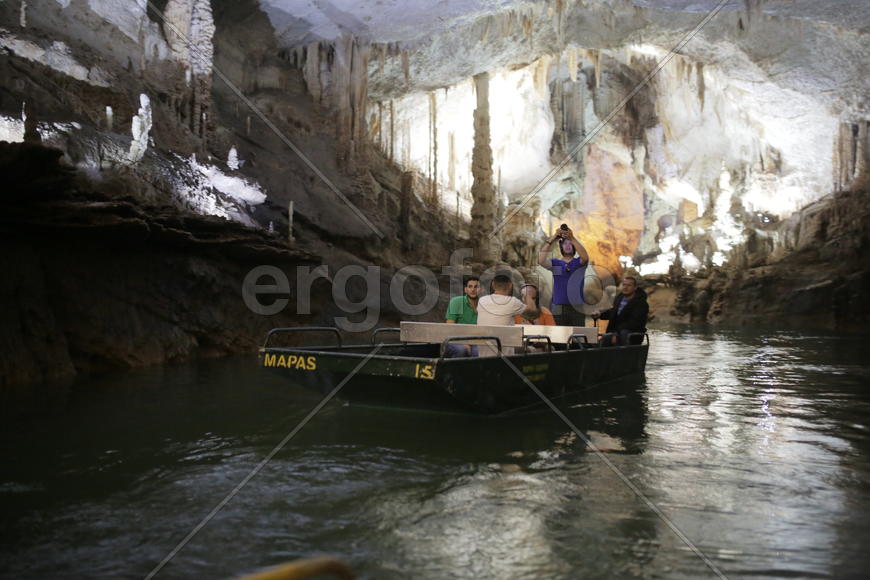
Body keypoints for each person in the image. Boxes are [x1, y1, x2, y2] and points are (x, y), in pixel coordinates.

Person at [538, 225, 590, 326]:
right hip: (558, 305)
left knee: (577, 337)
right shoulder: (556, 264)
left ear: (574, 246)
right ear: (561, 247)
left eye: (570, 244)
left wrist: (572, 238)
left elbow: (585, 257)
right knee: (559, 337)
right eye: (565, 243)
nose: (567, 245)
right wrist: (553, 238)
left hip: (577, 306)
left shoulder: (579, 263)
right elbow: (541, 260)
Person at [593, 276, 649, 347]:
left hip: (631, 334)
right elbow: (613, 313)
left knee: (622, 335)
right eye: (624, 285)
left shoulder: (641, 304)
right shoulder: (619, 299)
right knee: (603, 340)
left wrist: (616, 334)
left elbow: (634, 323)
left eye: (629, 285)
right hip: (617, 332)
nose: (625, 287)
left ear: (635, 288)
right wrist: (600, 314)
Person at [443, 276, 481, 357]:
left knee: (478, 352)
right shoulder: (456, 302)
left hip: (475, 341)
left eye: (476, 287)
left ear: (481, 289)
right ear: (465, 289)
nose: (473, 289)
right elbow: (450, 326)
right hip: (455, 340)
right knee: (462, 350)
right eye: (470, 286)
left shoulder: (483, 304)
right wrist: (463, 342)